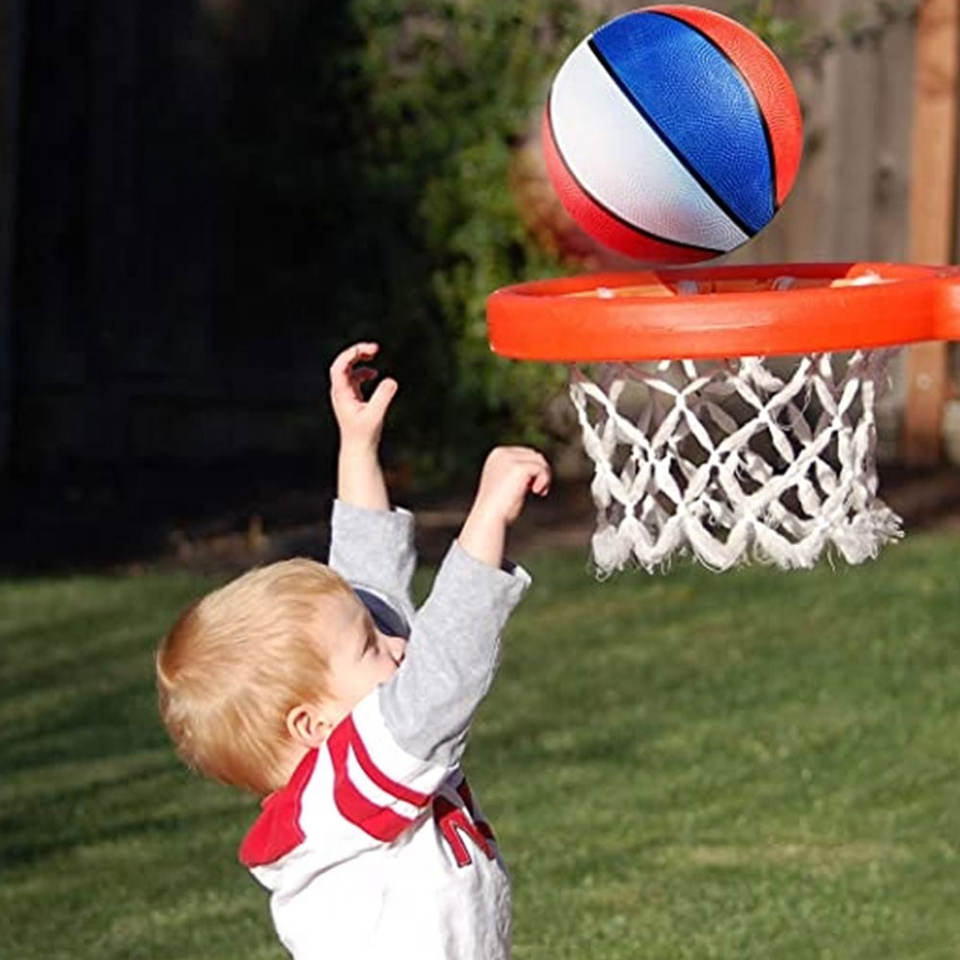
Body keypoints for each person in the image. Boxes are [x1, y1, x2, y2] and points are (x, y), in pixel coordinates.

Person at [156, 342, 551, 960]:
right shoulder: (342, 794)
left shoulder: (341, 772)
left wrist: (358, 449)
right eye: (371, 647)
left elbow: (368, 594)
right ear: (312, 725)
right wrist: (487, 519)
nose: (398, 642)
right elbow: (440, 681)